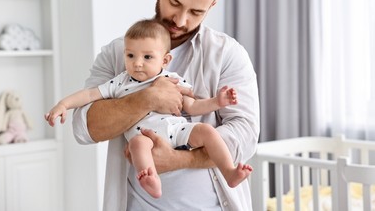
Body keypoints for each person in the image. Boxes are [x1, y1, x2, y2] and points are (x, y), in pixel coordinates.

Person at [73, 0, 260, 210]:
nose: (181, 20)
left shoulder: (227, 54)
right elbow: (85, 128)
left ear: (212, 6)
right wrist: (147, 98)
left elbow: (246, 135)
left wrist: (178, 159)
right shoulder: (118, 54)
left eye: (196, 12)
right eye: (174, 2)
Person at [45, 19, 253, 199]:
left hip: (177, 131)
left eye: (147, 57)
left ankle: (229, 171)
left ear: (165, 60)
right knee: (136, 146)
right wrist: (63, 104)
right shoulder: (120, 83)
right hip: (146, 135)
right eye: (130, 56)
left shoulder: (172, 80)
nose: (137, 64)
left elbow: (193, 106)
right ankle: (151, 179)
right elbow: (90, 95)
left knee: (207, 131)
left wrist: (218, 101)